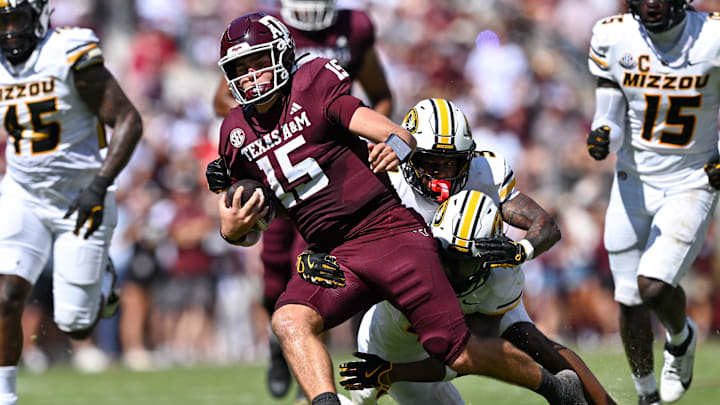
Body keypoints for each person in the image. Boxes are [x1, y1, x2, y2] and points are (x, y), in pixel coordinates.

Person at [211, 12, 587, 405]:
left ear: (283, 55)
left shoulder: (313, 86)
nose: (251, 75)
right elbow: (261, 220)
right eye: (240, 68)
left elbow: (397, 132)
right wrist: (232, 230)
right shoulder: (234, 132)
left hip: (389, 233)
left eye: (258, 62)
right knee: (288, 319)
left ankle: (556, 387)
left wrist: (396, 147)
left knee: (455, 350)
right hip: (337, 255)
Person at [330, 99, 614, 405]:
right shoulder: (388, 183)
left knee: (532, 340)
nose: (440, 173)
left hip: (481, 271)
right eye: (430, 162)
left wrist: (520, 250)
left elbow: (545, 225)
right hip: (410, 302)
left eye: (449, 162)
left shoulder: (486, 175)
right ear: (409, 156)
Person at [209, 1, 392, 399]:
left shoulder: (354, 27)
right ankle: (282, 349)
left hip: (330, 163)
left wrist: (373, 141)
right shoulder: (257, 34)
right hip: (277, 167)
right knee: (273, 268)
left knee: (310, 263)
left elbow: (380, 94)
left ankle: (342, 362)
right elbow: (224, 100)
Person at [0, 1, 143, 403]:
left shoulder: (67, 53)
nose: (10, 32)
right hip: (23, 193)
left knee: (75, 325)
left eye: (16, 20)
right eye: (2, 22)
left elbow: (129, 120)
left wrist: (99, 186)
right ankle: (5, 397)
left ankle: (104, 280)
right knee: (5, 296)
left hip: (81, 196)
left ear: (40, 16)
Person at [587, 1, 720, 404]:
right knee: (627, 297)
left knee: (654, 286)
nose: (651, 3)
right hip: (633, 180)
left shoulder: (712, 35)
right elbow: (609, 109)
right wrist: (602, 134)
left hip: (691, 178)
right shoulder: (613, 35)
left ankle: (681, 338)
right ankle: (647, 396)